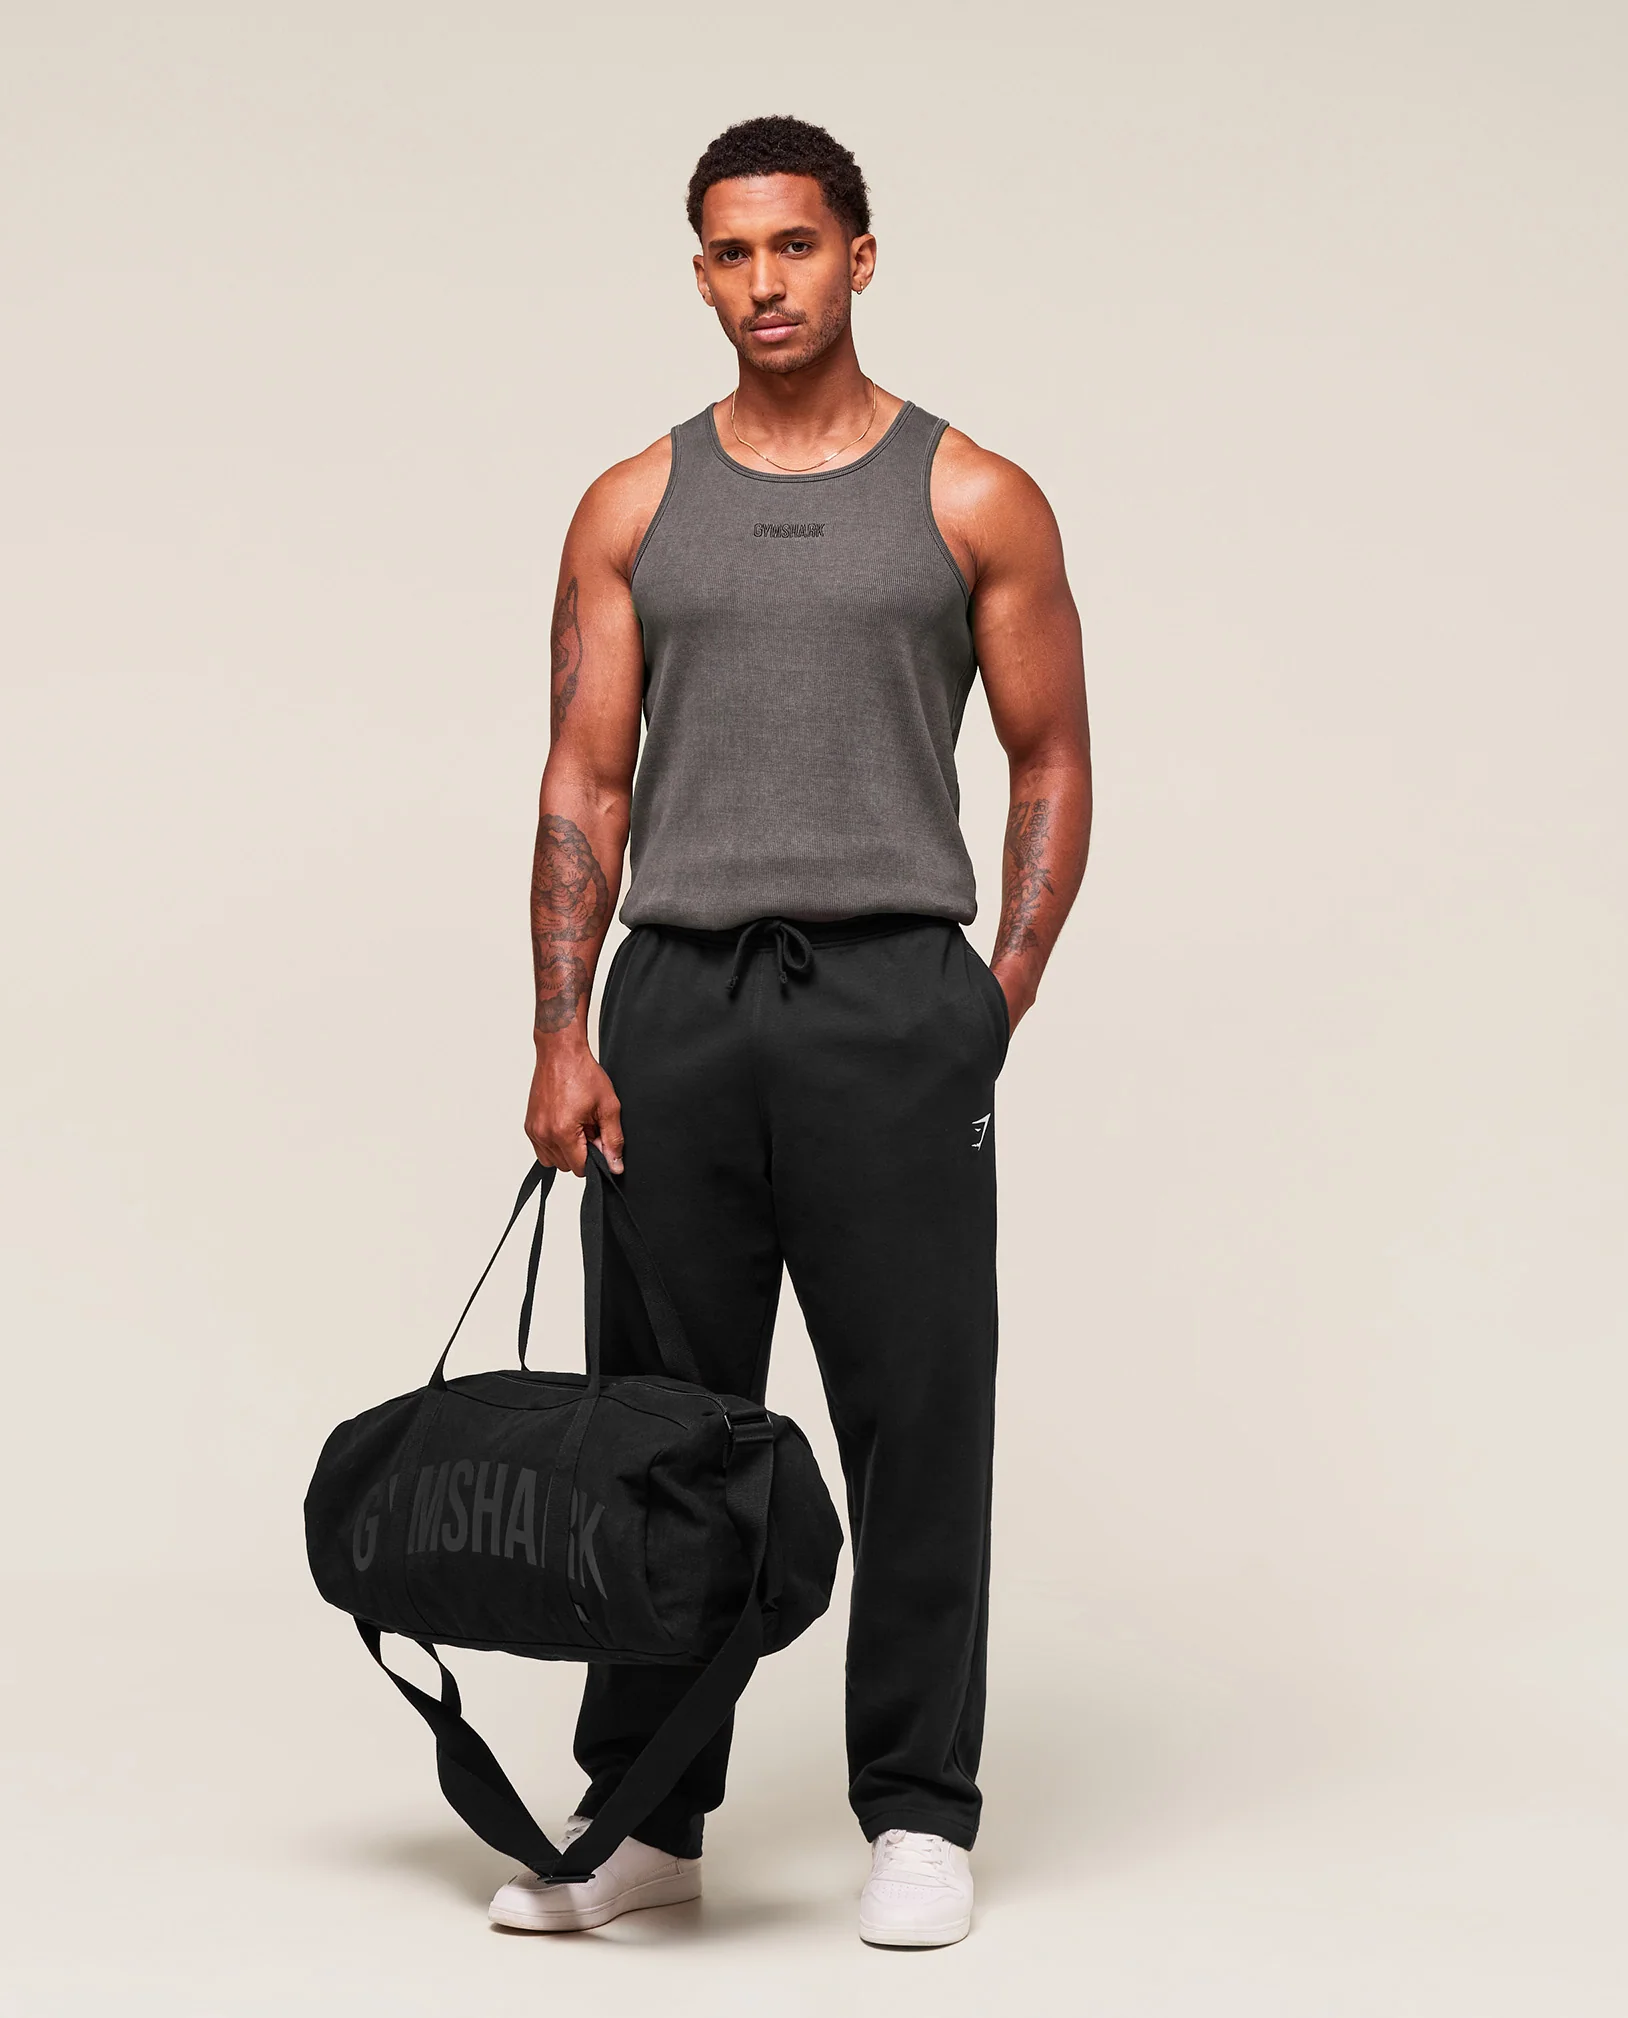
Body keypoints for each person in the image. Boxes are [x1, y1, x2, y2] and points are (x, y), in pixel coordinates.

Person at [495, 114, 1091, 1947]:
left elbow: (1052, 755)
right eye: (733, 252)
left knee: (917, 1412)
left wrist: (992, 994)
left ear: (860, 256)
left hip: (892, 1003)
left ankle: (916, 1807)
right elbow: (585, 779)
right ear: (701, 273)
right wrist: (562, 1030)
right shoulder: (633, 504)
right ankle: (647, 1815)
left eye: (798, 245)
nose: (767, 282)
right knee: (660, 1426)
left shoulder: (973, 496)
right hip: (676, 1004)